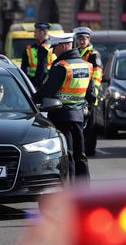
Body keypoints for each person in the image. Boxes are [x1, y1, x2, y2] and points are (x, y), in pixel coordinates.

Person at [33, 33, 94, 183]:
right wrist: (85, 112)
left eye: (55, 48)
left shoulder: (62, 67)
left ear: (63, 46)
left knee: (69, 154)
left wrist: (30, 101)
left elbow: (47, 91)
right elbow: (91, 95)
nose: (53, 52)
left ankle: (72, 192)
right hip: (79, 116)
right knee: (81, 155)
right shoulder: (86, 65)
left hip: (61, 116)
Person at [73, 27, 103, 157]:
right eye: (79, 39)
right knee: (81, 123)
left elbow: (97, 74)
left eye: (84, 39)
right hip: (79, 92)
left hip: (90, 93)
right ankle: (82, 148)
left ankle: (90, 149)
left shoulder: (93, 54)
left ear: (88, 39)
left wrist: (93, 93)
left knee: (90, 125)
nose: (81, 41)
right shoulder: (77, 52)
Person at [21, 22, 55, 89]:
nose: (34, 35)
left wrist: (36, 84)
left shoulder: (43, 48)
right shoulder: (54, 46)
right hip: (48, 82)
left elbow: (41, 68)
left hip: (39, 82)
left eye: (35, 32)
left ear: (42, 32)